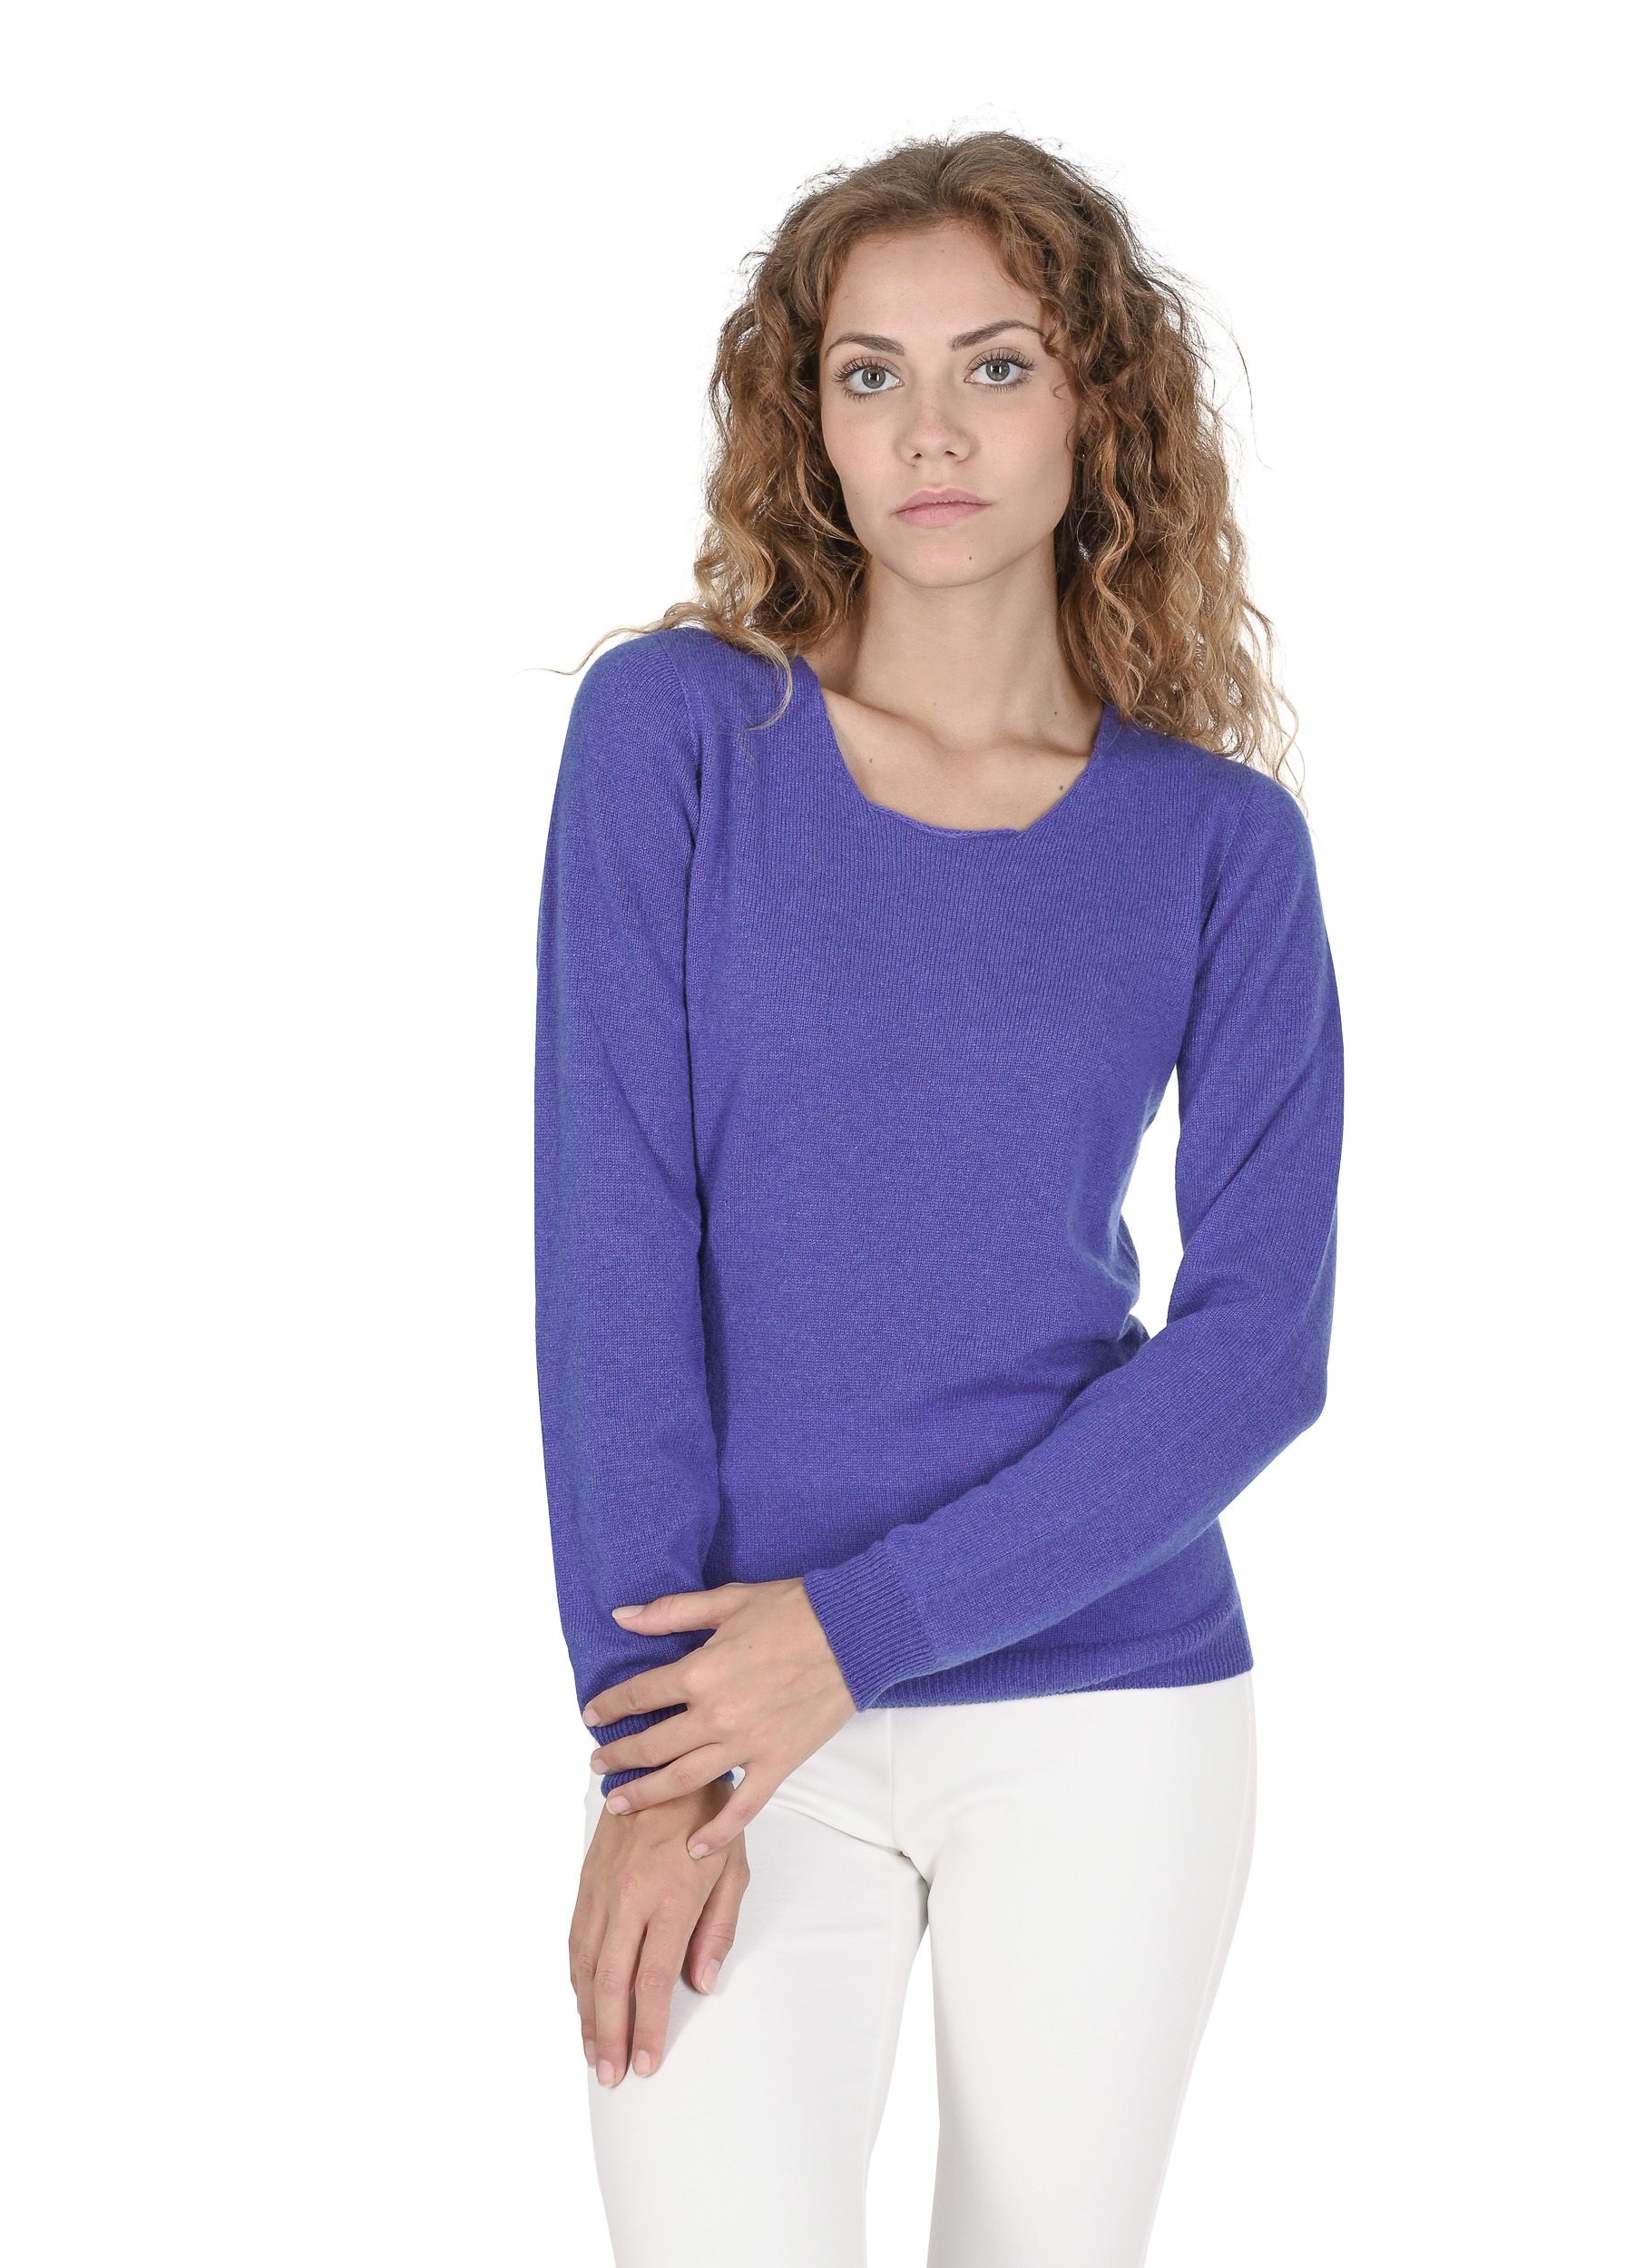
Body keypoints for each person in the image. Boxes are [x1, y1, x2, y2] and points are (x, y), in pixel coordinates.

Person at [533, 128, 1345, 2268]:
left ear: (1094, 405)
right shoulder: (676, 739)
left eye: (994, 364)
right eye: (868, 373)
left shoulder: (1217, 847)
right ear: (805, 421)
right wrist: (656, 1766)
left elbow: (1260, 1345)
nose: (931, 430)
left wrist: (864, 1628)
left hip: (1108, 1700)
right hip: (724, 1713)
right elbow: (611, 1254)